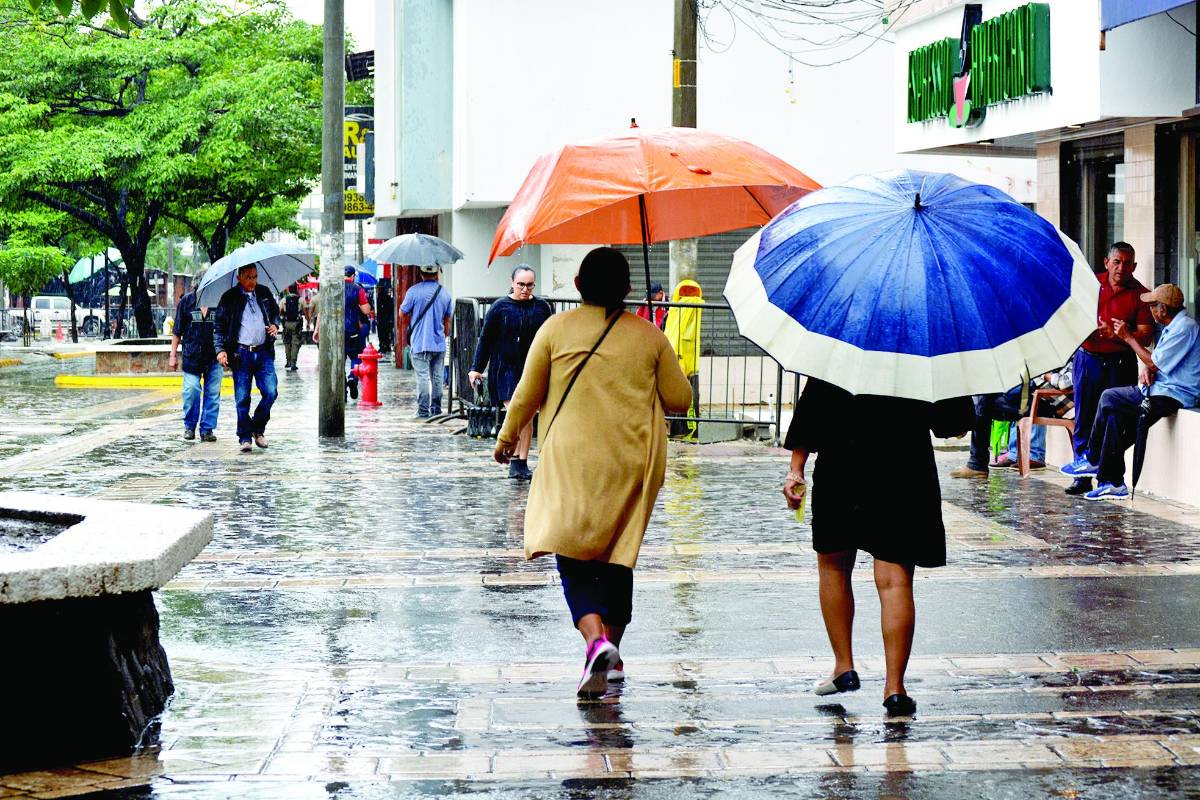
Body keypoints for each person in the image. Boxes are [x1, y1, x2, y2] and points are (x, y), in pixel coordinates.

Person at [494, 247, 691, 699]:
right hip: (630, 462)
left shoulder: (555, 329)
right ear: (627, 289)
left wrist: (507, 440)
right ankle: (614, 654)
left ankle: (595, 641)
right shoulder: (648, 336)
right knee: (618, 554)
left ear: (578, 285)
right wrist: (660, 348)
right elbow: (679, 399)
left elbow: (526, 395)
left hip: (571, 460)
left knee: (573, 551)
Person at [783, 378, 973, 716]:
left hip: (841, 464)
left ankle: (844, 667)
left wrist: (796, 470)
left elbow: (813, 408)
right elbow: (950, 423)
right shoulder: (923, 343)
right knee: (894, 580)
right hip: (904, 470)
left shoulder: (843, 339)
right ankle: (895, 689)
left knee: (833, 567)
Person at [1061, 284, 1200, 500]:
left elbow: (1155, 362)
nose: (1151, 311)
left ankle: (1092, 457)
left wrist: (1127, 337)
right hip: (1161, 388)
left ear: (1163, 309)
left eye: (1153, 306)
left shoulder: (1185, 327)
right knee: (1115, 417)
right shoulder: (1175, 326)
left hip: (1172, 394)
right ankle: (1113, 482)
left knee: (1109, 397)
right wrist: (1148, 368)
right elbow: (1158, 362)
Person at [1061, 243, 1154, 495]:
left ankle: (1109, 477)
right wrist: (1091, 328)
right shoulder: (1090, 284)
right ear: (1106, 262)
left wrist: (1121, 334)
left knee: (1115, 418)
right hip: (1088, 359)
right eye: (1117, 262)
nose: (1121, 268)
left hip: (1120, 362)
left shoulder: (1141, 295)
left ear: (1134, 266)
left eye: (1127, 263)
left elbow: (1145, 336)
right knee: (1084, 418)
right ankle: (1082, 477)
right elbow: (1070, 316)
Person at [468, 265, 554, 480]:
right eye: (521, 285)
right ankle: (516, 459)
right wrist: (476, 368)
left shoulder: (542, 307)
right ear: (512, 283)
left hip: (532, 368)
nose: (525, 289)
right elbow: (485, 339)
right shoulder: (500, 308)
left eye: (529, 285)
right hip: (504, 369)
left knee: (526, 416)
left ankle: (520, 460)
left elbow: (551, 338)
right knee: (519, 413)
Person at [213, 265, 281, 453]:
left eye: (255, 277)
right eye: (249, 277)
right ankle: (245, 437)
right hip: (240, 354)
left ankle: (257, 428)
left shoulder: (264, 293)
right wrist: (220, 350)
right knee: (242, 398)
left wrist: (275, 324)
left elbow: (275, 314)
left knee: (271, 392)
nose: (253, 281)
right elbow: (218, 326)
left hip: (264, 352)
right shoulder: (229, 298)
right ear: (239, 277)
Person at [168, 272, 220, 442]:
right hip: (192, 357)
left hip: (214, 357)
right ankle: (189, 426)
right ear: (196, 285)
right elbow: (177, 331)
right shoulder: (187, 302)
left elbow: (225, 329)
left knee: (212, 394)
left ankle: (207, 429)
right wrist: (173, 355)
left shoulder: (219, 303)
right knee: (191, 390)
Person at [399, 265, 453, 418]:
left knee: (422, 377)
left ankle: (423, 411)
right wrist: (444, 335)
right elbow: (447, 319)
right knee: (437, 377)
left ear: (421, 274)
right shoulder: (444, 293)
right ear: (436, 274)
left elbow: (402, 314)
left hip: (420, 341)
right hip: (439, 342)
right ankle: (436, 409)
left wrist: (411, 323)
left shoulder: (413, 291)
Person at [663, 279, 703, 437]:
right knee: (687, 399)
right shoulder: (685, 310)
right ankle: (686, 431)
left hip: (682, 361)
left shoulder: (675, 311)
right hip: (685, 362)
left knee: (683, 399)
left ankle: (683, 430)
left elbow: (671, 335)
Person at [344, 266, 373, 400]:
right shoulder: (357, 289)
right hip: (352, 331)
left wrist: (317, 330)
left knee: (339, 360)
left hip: (336, 332)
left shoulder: (333, 289)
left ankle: (342, 388)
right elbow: (366, 310)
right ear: (353, 276)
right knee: (356, 357)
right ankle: (352, 377)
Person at [280, 283, 303, 371]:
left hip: (286, 324)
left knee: (287, 343)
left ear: (289, 290)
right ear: (296, 289)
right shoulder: (301, 299)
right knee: (295, 343)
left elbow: (280, 312)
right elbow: (305, 311)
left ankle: (288, 361)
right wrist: (308, 322)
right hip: (297, 324)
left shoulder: (283, 300)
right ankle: (293, 363)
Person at [376, 278, 394, 355]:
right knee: (386, 333)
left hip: (383, 319)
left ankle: (383, 346)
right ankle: (386, 346)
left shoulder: (381, 297)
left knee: (383, 334)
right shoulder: (386, 297)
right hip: (386, 319)